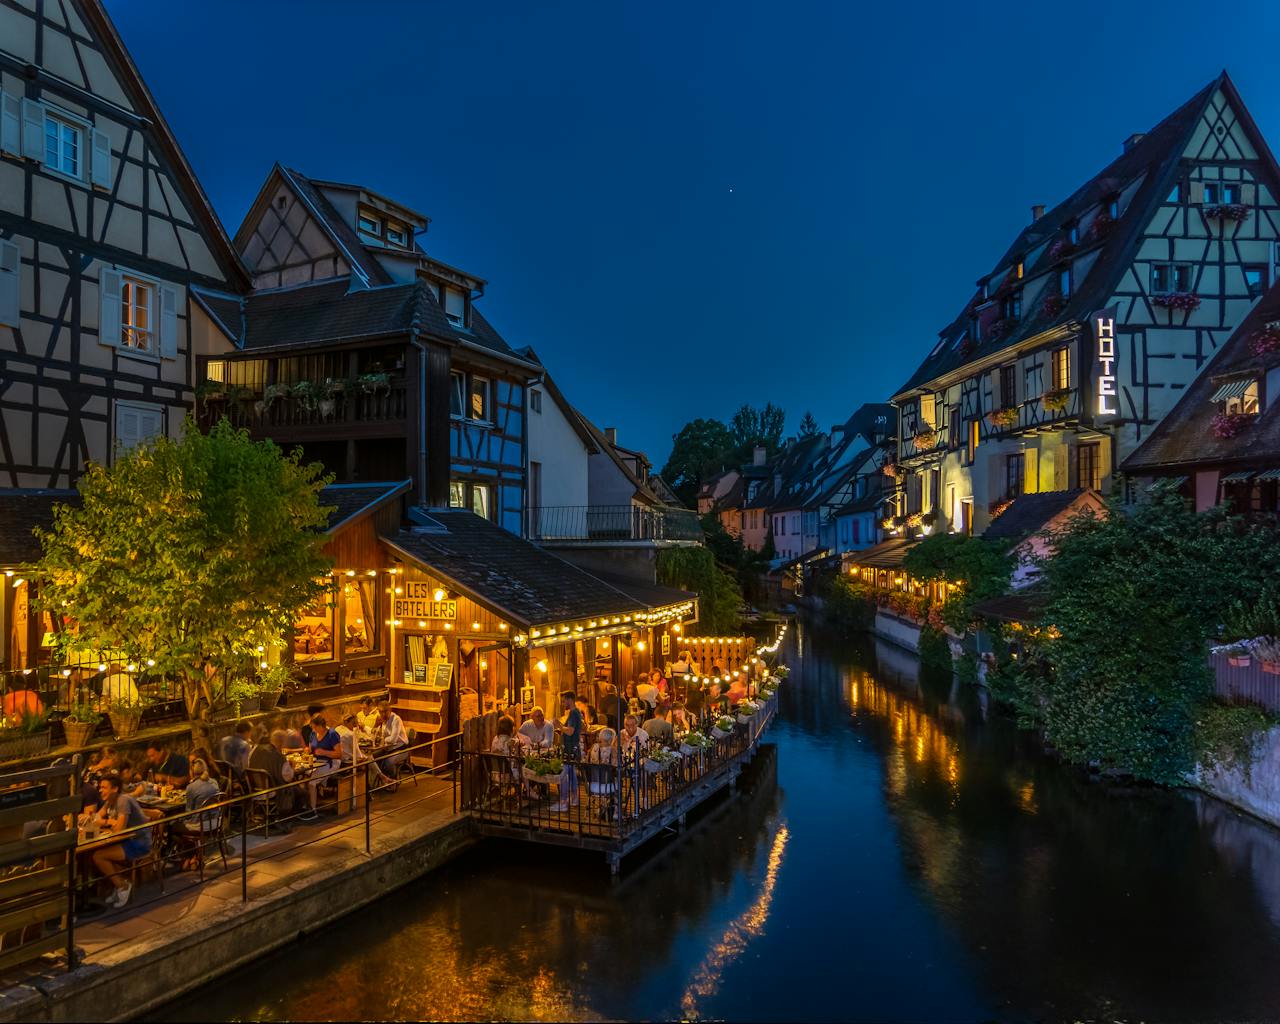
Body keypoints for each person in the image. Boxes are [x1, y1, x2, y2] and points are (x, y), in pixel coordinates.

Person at [91, 772, 151, 909]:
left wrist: (107, 822)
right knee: (93, 854)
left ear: (115, 789)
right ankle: (118, 885)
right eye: (100, 787)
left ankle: (122, 886)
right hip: (125, 841)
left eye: (104, 787)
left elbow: (119, 829)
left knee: (98, 856)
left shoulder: (123, 800)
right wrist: (109, 821)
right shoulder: (109, 802)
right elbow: (96, 819)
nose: (100, 790)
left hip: (138, 842)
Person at [248, 729, 298, 817]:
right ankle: (288, 819)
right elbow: (288, 777)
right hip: (272, 791)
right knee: (301, 792)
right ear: (281, 742)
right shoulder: (278, 756)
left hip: (254, 789)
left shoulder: (255, 750)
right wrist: (292, 767)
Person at [301, 714, 342, 821]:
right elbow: (310, 748)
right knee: (302, 779)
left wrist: (324, 752)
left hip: (330, 762)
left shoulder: (332, 734)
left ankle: (313, 810)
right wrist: (307, 751)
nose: (313, 730)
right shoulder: (313, 733)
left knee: (311, 782)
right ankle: (305, 806)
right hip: (316, 762)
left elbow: (338, 754)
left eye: (314, 727)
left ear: (321, 726)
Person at [553, 690, 581, 812]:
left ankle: (563, 802)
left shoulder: (573, 713)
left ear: (570, 700)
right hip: (572, 747)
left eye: (564, 701)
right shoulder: (575, 713)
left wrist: (558, 725)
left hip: (569, 748)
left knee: (564, 775)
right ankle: (574, 798)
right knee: (572, 774)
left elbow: (570, 731)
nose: (563, 703)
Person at [376, 701, 408, 776]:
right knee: (372, 758)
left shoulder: (396, 719)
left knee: (388, 762)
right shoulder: (382, 719)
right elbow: (380, 734)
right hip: (389, 748)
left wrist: (383, 739)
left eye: (385, 712)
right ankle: (378, 782)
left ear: (390, 710)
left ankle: (393, 780)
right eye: (381, 712)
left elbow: (393, 739)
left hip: (401, 748)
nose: (383, 714)